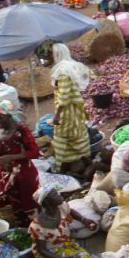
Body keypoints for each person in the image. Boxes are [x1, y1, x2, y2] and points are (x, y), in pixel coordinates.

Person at [0, 101, 40, 219]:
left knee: (30, 202)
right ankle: (22, 224)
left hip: (23, 173)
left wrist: (12, 157)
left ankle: (36, 224)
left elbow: (34, 152)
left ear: (9, 116)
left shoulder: (21, 131)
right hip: (5, 174)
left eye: (0, 118)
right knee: (14, 203)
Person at [27, 187, 97, 258]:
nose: (59, 194)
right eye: (55, 194)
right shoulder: (36, 226)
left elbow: (70, 211)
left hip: (65, 246)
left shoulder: (61, 207)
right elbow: (42, 250)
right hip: (50, 255)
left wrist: (84, 220)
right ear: (47, 201)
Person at [48, 43, 91, 172]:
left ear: (56, 55)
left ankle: (62, 165)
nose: (49, 57)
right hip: (74, 108)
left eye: (51, 54)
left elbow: (64, 97)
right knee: (77, 133)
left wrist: (57, 116)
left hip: (66, 111)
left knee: (62, 136)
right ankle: (84, 158)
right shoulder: (71, 66)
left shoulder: (62, 72)